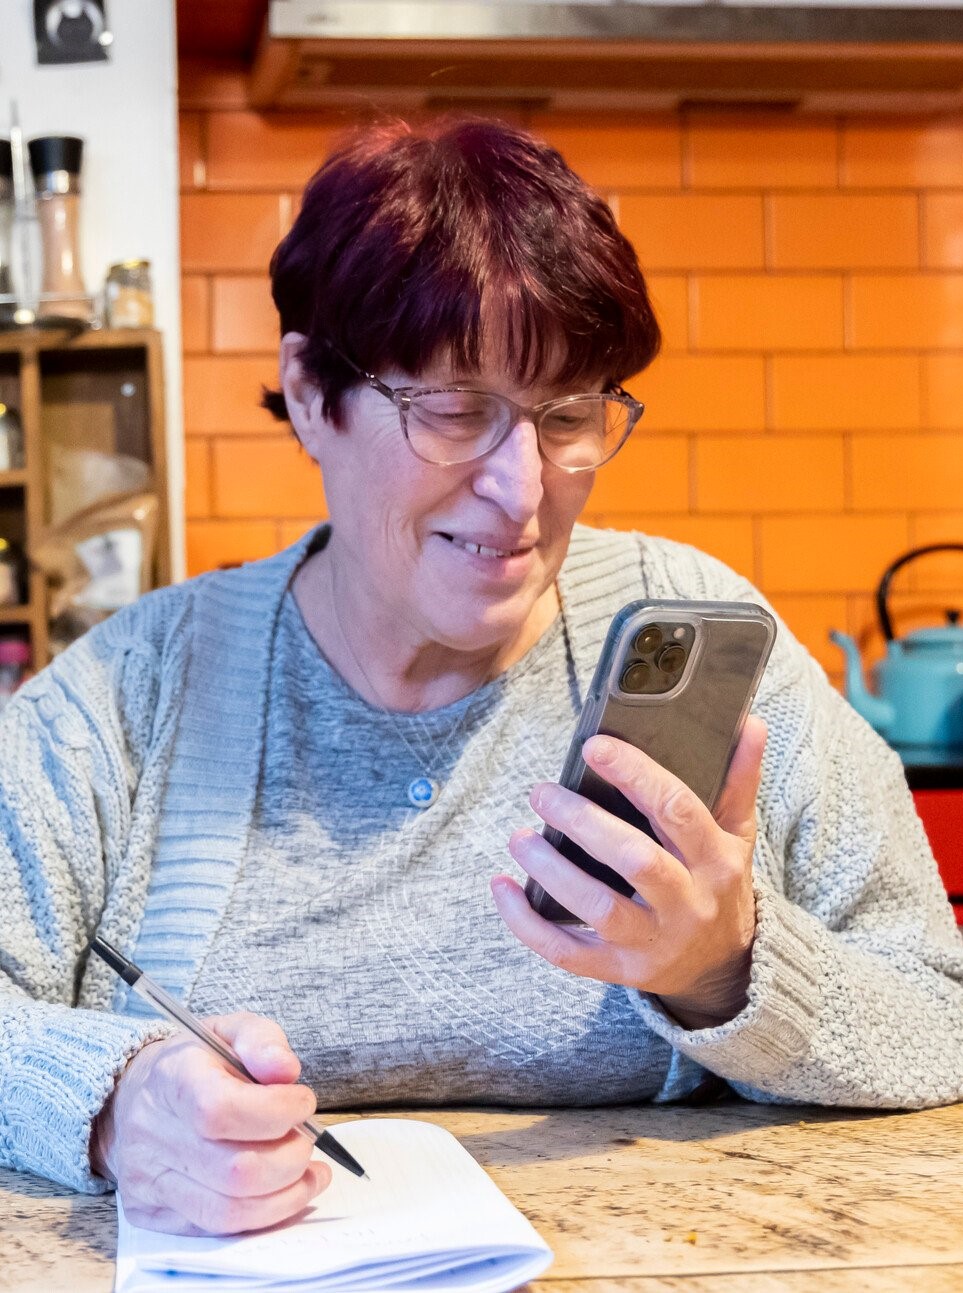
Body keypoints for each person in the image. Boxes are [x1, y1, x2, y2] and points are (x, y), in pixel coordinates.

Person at [1, 117, 961, 1238]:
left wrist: (726, 974)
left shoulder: (709, 653)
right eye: (456, 412)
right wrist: (113, 1103)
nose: (522, 488)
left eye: (568, 416)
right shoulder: (131, 693)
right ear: (311, 390)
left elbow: (938, 1011)